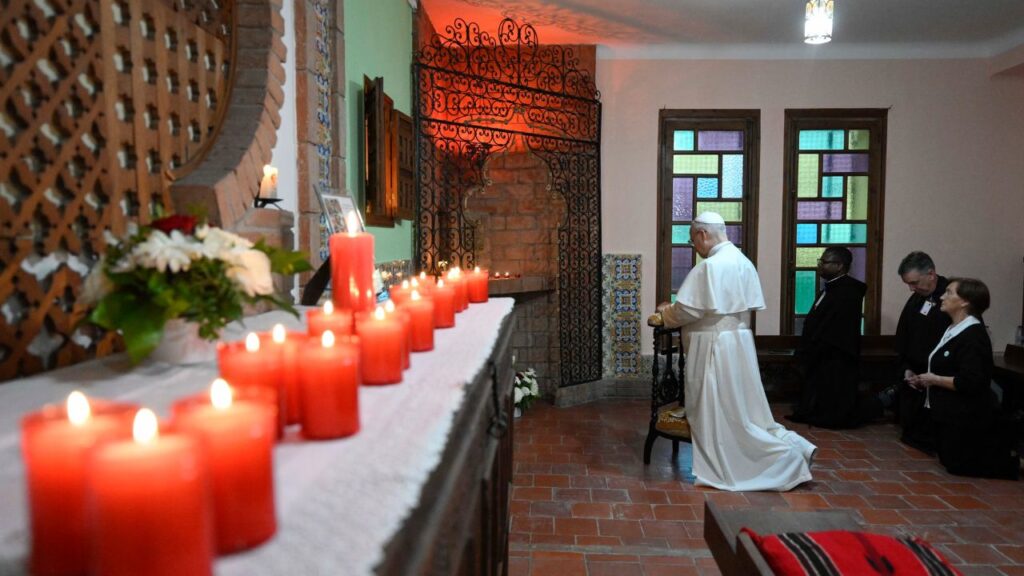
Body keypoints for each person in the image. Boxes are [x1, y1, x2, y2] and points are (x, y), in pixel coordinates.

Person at [655, 212, 815, 492]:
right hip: (739, 344)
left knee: (721, 412)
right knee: (744, 408)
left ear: (703, 234)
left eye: (694, 240)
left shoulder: (711, 267)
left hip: (714, 346)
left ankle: (783, 459)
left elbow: (689, 310)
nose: (695, 246)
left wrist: (665, 313)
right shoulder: (743, 262)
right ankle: (791, 447)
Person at [907, 278, 1019, 479]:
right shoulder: (952, 329)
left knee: (959, 464)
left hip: (965, 414)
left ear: (965, 301)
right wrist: (926, 379)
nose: (942, 296)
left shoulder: (973, 335)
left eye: (949, 293)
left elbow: (971, 381)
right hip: (946, 412)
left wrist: (934, 379)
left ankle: (1012, 463)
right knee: (948, 460)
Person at [789, 247, 867, 428]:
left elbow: (835, 326)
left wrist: (815, 344)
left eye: (824, 262)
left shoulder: (848, 292)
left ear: (839, 266)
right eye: (820, 262)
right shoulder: (831, 288)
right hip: (820, 350)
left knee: (833, 389)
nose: (820, 266)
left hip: (835, 351)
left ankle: (828, 416)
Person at [893, 252, 951, 453]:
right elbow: (905, 333)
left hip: (939, 371)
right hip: (915, 368)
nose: (911, 288)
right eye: (908, 284)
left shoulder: (951, 296)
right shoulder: (917, 298)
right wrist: (906, 367)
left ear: (931, 274)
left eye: (914, 282)